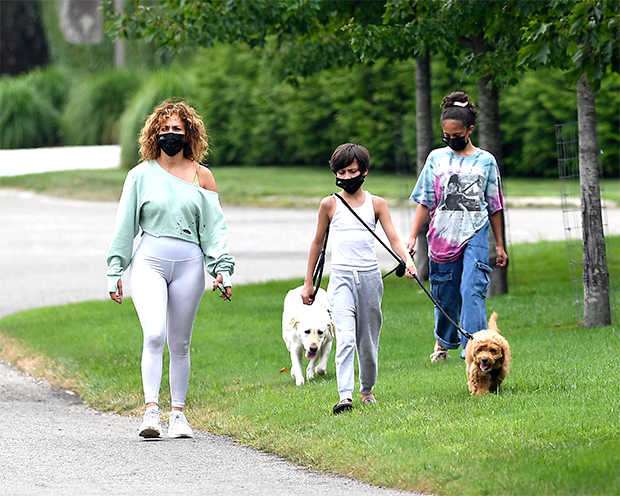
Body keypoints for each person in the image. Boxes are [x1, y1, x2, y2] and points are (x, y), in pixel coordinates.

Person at [106, 100, 234, 439]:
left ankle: (178, 415)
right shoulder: (140, 176)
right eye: (164, 130)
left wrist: (223, 269)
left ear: (188, 132)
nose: (170, 135)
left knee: (180, 342)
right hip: (149, 261)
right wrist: (114, 270)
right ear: (154, 134)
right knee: (154, 335)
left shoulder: (202, 176)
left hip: (189, 265)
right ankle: (151, 411)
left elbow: (214, 229)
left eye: (177, 129)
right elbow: (124, 227)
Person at [301, 143, 416, 414]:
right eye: (341, 172)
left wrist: (408, 262)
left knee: (367, 343)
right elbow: (317, 244)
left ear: (363, 171)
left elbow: (395, 239)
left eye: (352, 171)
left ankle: (367, 389)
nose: (347, 177)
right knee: (346, 338)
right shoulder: (329, 204)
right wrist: (309, 283)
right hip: (340, 278)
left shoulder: (377, 204)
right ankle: (344, 396)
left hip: (370, 279)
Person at [406, 91, 507, 362]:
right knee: (446, 294)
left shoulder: (486, 161)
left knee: (471, 289)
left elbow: (494, 204)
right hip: (442, 235)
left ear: (470, 130)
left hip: (475, 231)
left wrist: (499, 244)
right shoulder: (435, 159)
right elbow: (425, 201)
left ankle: (473, 349)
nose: (451, 139)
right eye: (446, 134)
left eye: (456, 134)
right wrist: (412, 237)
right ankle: (444, 341)